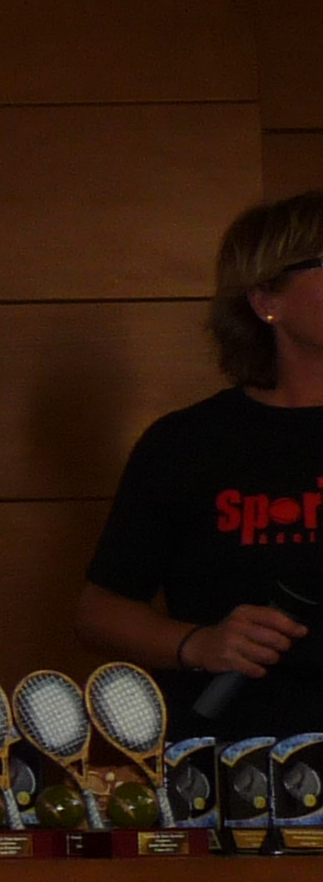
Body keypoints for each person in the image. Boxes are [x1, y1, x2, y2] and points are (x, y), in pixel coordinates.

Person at [71, 189, 323, 732]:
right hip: (234, 755)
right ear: (266, 299)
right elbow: (100, 612)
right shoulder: (188, 443)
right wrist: (198, 644)